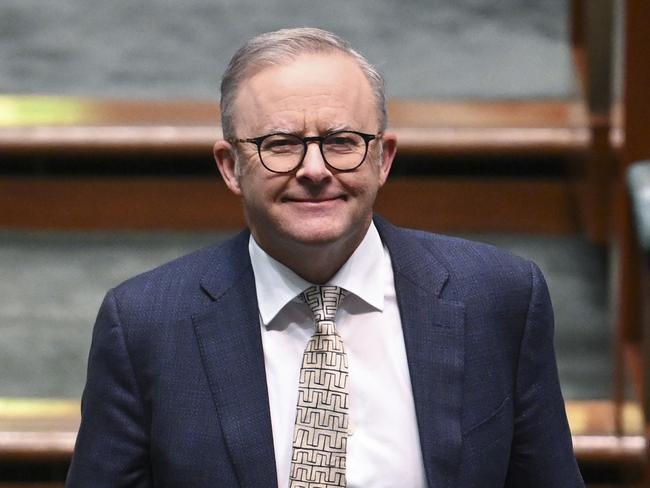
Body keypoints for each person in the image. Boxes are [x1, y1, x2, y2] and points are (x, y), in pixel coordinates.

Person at [67, 27, 584, 487]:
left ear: (383, 159)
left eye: (342, 141)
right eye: (281, 144)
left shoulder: (497, 296)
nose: (315, 169)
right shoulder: (145, 323)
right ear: (230, 167)